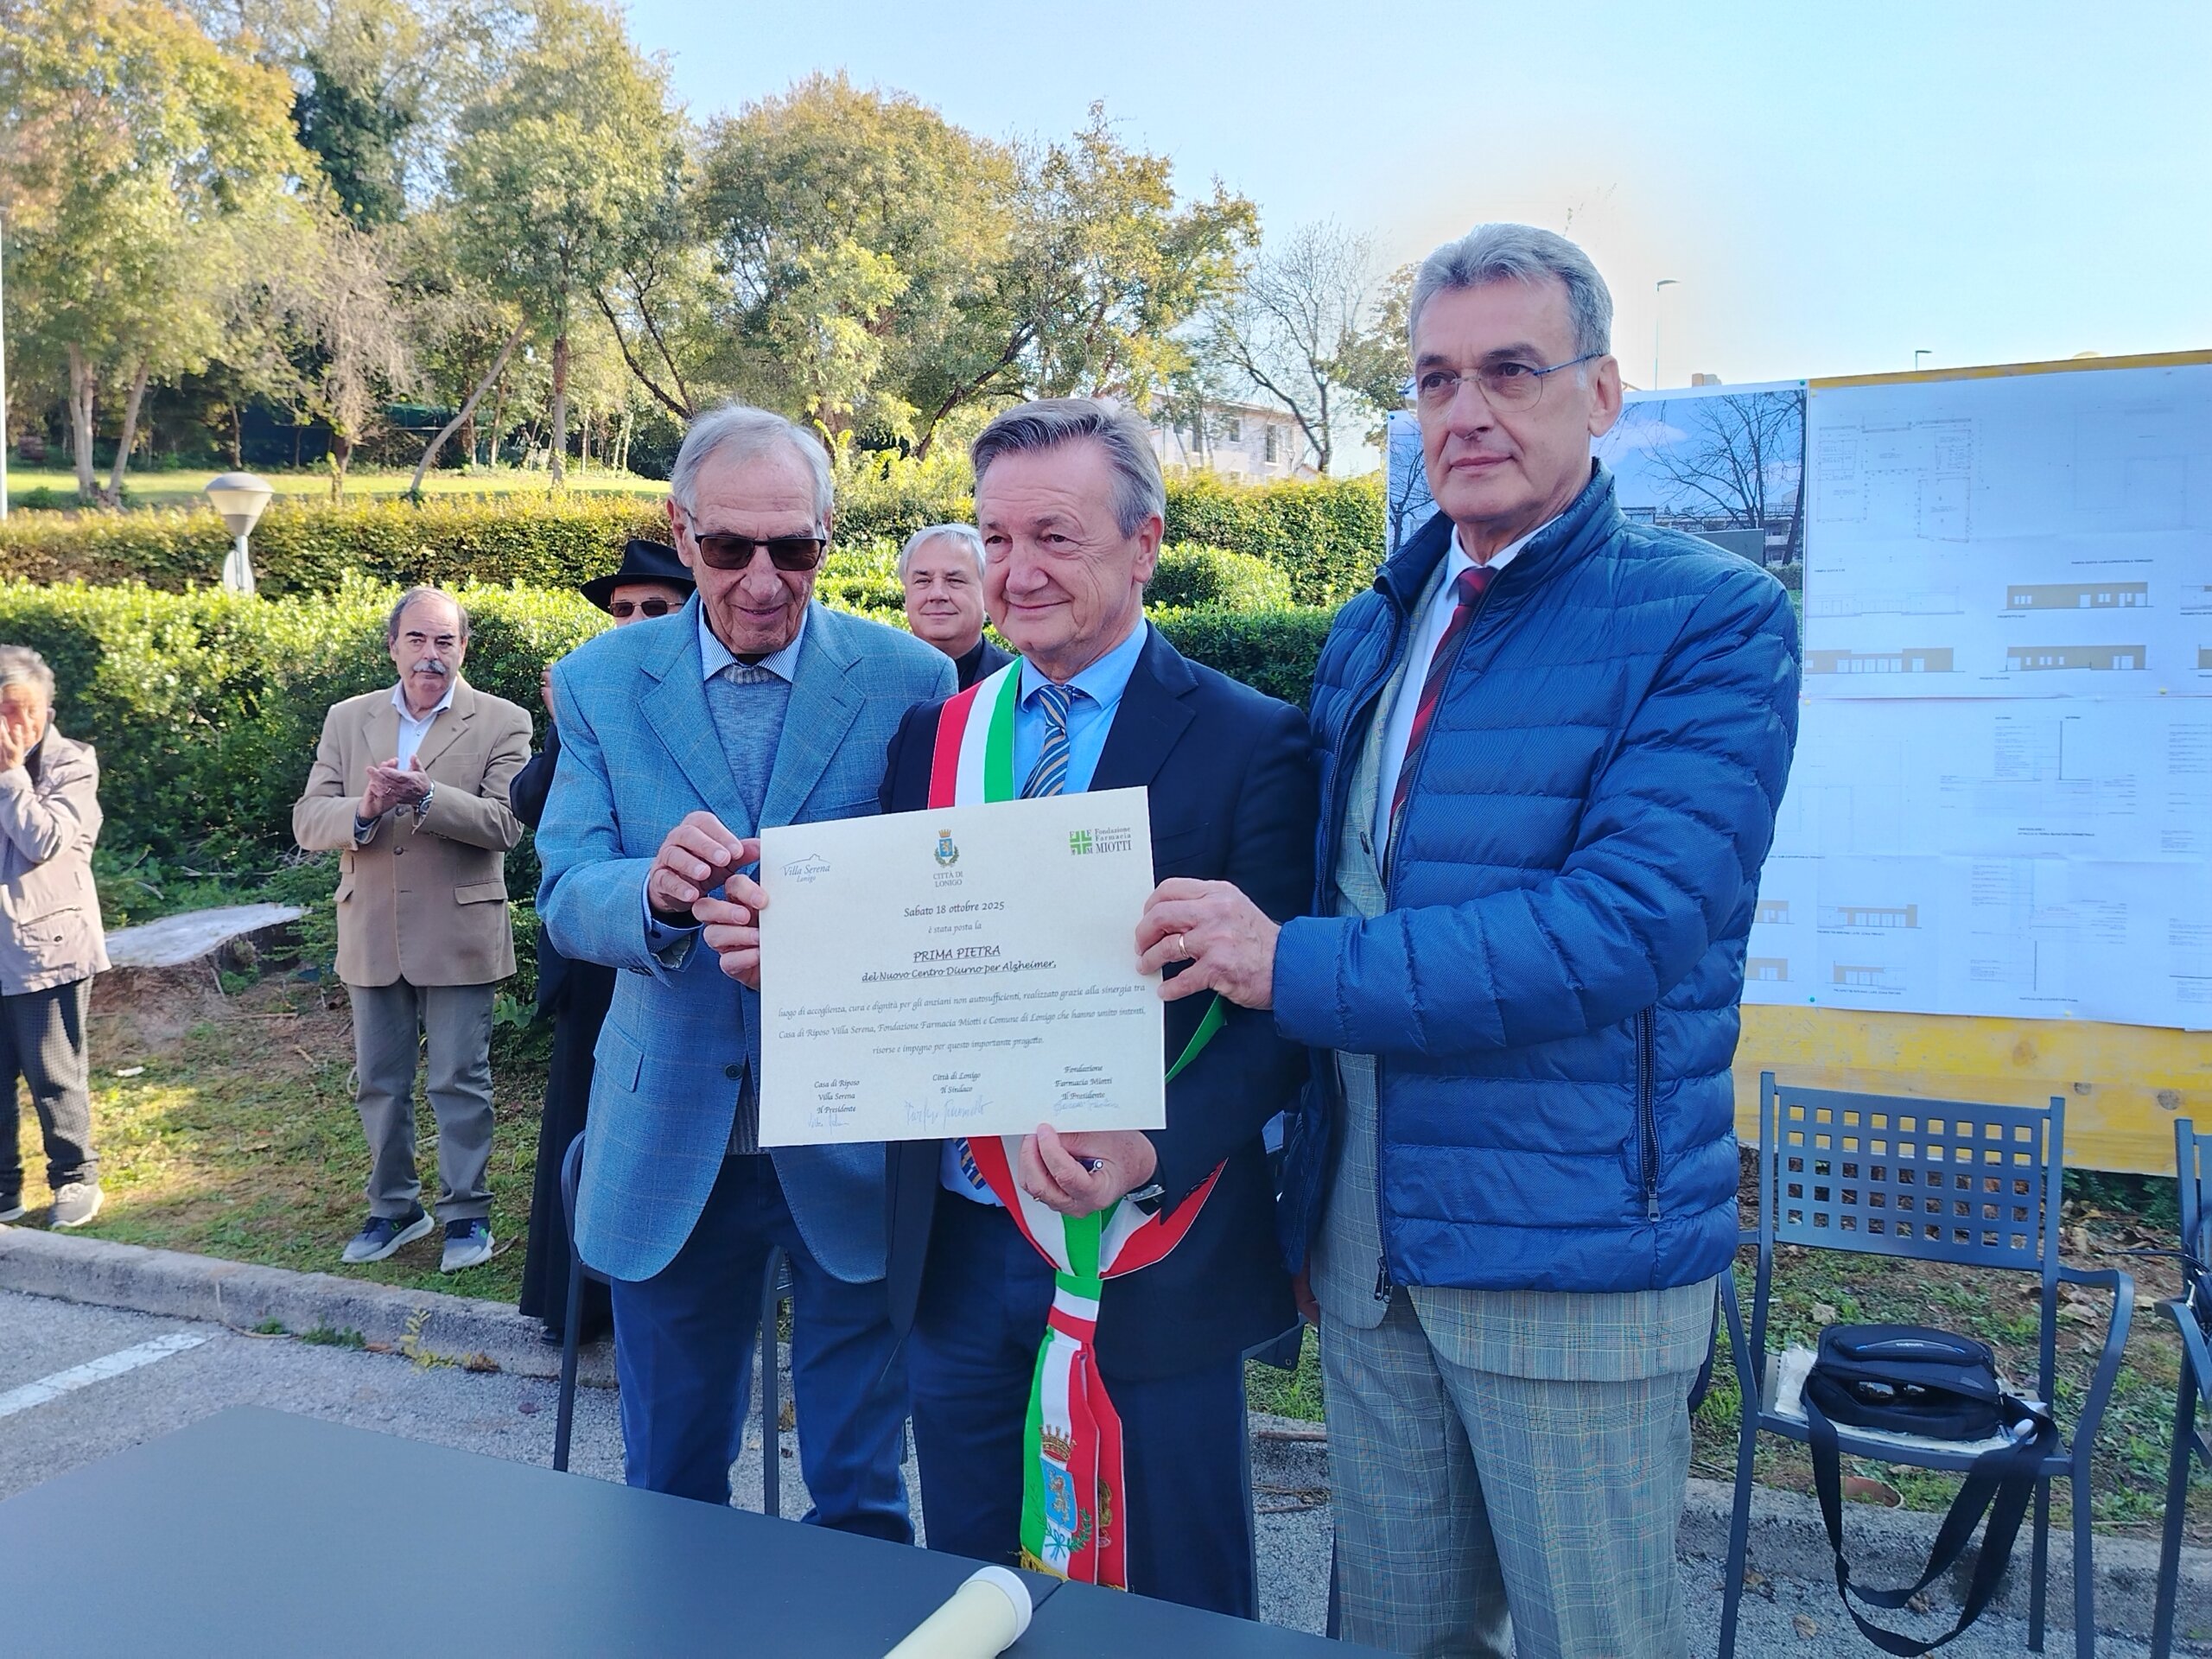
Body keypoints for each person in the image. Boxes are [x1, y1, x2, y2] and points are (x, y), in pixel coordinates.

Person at [1135, 225, 1801, 1658]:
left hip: (1570, 1251)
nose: (1468, 411)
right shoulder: (1380, 620)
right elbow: (1329, 882)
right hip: (1370, 1251)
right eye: (1436, 379)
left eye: (1511, 370)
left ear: (1601, 392)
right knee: (1397, 1636)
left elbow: (1622, 929)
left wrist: (1285, 964)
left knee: (1596, 1641)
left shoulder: (1712, 620)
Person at [702, 399, 1313, 1615]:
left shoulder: (1254, 741)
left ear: (1144, 545)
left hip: (1152, 1245)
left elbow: (1279, 1018)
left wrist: (1151, 1150)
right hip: (960, 1242)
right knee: (978, 1594)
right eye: (996, 538)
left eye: (1055, 537)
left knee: (1173, 1605)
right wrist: (802, 967)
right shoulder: (933, 737)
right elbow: (914, 962)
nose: (1016, 572)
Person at [536, 403, 952, 1528]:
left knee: (862, 1496)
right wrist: (653, 894)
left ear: (829, 532)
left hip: (855, 1137)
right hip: (670, 1134)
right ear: (681, 532)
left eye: (795, 548)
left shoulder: (911, 678)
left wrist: (832, 943)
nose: (763, 581)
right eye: (728, 548)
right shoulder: (600, 681)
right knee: (671, 1493)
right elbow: (565, 887)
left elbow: (942, 897)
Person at [293, 588, 532, 1274]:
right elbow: (308, 818)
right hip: (370, 926)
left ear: (464, 649)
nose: (431, 655)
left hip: (459, 929)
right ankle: (394, 1207)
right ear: (393, 646)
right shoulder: (348, 718)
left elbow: (507, 825)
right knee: (378, 1080)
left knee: (459, 1079)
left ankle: (467, 1214)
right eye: (418, 640)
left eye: (445, 641)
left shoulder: (503, 721)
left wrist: (428, 796)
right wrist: (364, 810)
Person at [513, 538, 695, 1345]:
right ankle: (577, 1305)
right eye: (622, 608)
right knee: (583, 1122)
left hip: (680, 961)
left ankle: (659, 1307)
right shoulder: (590, 689)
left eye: (654, 606)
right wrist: (563, 728)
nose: (634, 619)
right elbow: (529, 803)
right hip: (595, 958)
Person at [0, 646, 110, 1230]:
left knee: (54, 1075)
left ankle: (75, 1178)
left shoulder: (72, 764)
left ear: (47, 709)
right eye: (2, 711)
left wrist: (9, 776)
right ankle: (3, 1191)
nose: (16, 725)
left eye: (26, 710)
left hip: (48, 947)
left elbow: (43, 840)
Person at [899, 523, 1009, 689]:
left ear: (987, 591)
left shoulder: (1019, 685)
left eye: (954, 581)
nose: (937, 594)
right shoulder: (878, 680)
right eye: (923, 581)